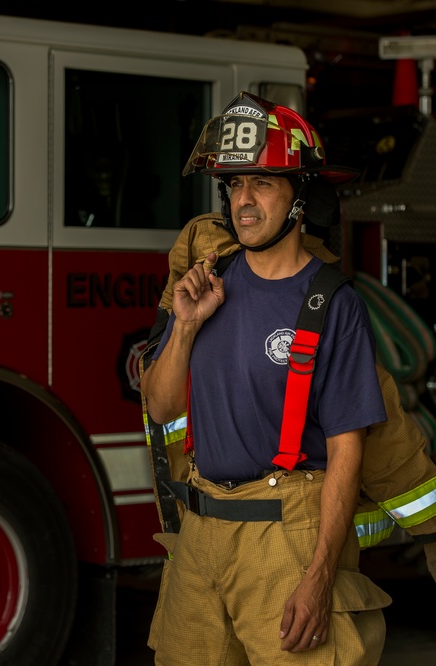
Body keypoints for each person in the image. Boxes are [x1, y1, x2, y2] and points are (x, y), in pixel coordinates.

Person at [140, 92, 392, 665]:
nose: (243, 202)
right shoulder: (207, 284)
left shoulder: (331, 303)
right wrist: (184, 327)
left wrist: (320, 575)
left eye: (262, 183)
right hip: (200, 534)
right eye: (233, 186)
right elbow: (159, 409)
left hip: (285, 540)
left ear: (300, 196)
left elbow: (345, 449)